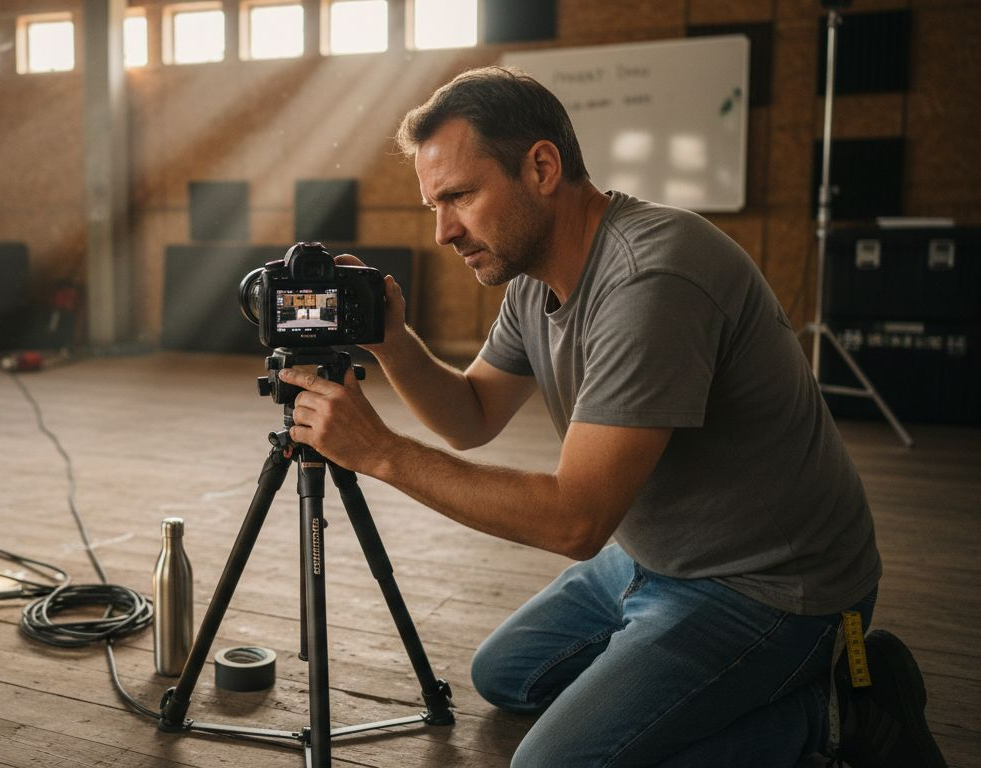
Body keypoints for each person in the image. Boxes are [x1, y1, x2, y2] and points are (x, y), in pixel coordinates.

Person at [274, 66, 947, 768]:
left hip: (775, 587)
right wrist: (394, 341)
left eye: (460, 197)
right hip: (657, 554)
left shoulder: (652, 277)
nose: (444, 231)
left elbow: (576, 521)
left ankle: (836, 719)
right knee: (505, 675)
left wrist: (381, 453)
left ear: (541, 166)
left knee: (549, 766)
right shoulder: (537, 278)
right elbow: (471, 416)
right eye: (432, 206)